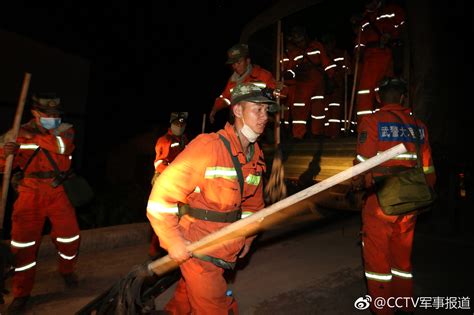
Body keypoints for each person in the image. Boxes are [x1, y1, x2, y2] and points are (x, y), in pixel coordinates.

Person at [147, 82, 279, 314]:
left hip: (225, 246)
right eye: (257, 109)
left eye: (266, 111)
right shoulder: (208, 147)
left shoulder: (255, 155)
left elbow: (252, 205)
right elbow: (160, 198)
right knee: (216, 305)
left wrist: (248, 237)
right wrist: (173, 240)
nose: (264, 117)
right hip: (199, 247)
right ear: (237, 111)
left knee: (188, 295)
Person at [352, 77, 436, 315]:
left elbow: (362, 165)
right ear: (402, 97)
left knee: (377, 262)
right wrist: (425, 195)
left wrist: (357, 187)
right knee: (402, 261)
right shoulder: (419, 126)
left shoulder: (372, 121)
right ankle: (404, 305)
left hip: (381, 203)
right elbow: (428, 168)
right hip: (411, 201)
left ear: (378, 97)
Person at [0, 93, 81, 313]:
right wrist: (5, 153)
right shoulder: (17, 133)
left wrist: (29, 139)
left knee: (69, 236)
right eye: (48, 114)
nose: (53, 118)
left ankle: (66, 270)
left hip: (59, 191)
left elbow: (63, 148)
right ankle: (21, 293)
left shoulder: (65, 130)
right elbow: (3, 167)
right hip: (29, 193)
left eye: (56, 114)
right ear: (35, 113)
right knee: (23, 245)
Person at [353, 0, 406, 131]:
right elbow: (360, 39)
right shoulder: (364, 18)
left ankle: (387, 124)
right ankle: (364, 128)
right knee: (365, 93)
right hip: (368, 57)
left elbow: (402, 24)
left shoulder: (391, 10)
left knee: (385, 90)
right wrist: (357, 52)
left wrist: (390, 33)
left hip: (385, 53)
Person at [149, 112, 189, 259]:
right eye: (177, 124)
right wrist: (173, 173)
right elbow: (159, 163)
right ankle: (155, 251)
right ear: (171, 124)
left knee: (181, 216)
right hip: (165, 180)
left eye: (182, 124)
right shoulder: (164, 140)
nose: (180, 126)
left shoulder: (184, 139)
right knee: (163, 216)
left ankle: (174, 247)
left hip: (180, 181)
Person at [283, 25, 335, 139]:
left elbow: (326, 62)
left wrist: (331, 76)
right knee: (299, 109)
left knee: (318, 109)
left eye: (300, 38)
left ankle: (317, 133)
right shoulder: (295, 52)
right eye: (296, 38)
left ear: (305, 37)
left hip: (317, 82)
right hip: (302, 83)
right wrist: (288, 74)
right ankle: (298, 135)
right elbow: (290, 69)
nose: (298, 41)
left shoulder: (316, 46)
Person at [209, 43, 279, 126]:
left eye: (238, 62)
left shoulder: (263, 75)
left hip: (262, 124)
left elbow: (280, 93)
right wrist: (215, 109)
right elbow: (225, 98)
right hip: (239, 124)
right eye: (233, 64)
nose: (235, 66)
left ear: (248, 60)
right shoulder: (232, 81)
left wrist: (277, 91)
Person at [321, 33, 351, 137]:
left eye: (329, 42)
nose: (328, 45)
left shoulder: (341, 54)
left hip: (337, 86)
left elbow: (348, 70)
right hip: (323, 86)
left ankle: (333, 133)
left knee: (335, 111)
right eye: (325, 43)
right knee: (324, 110)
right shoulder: (322, 54)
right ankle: (324, 133)